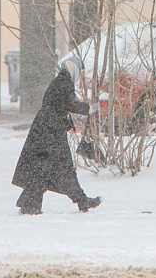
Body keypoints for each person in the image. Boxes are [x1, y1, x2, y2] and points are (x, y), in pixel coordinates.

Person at [12, 61, 101, 215]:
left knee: (42, 168)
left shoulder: (61, 81)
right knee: (61, 167)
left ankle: (30, 203)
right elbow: (69, 104)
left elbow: (57, 107)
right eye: (80, 71)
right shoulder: (63, 83)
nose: (80, 75)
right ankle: (81, 200)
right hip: (50, 133)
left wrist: (69, 125)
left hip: (46, 130)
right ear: (74, 69)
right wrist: (88, 108)